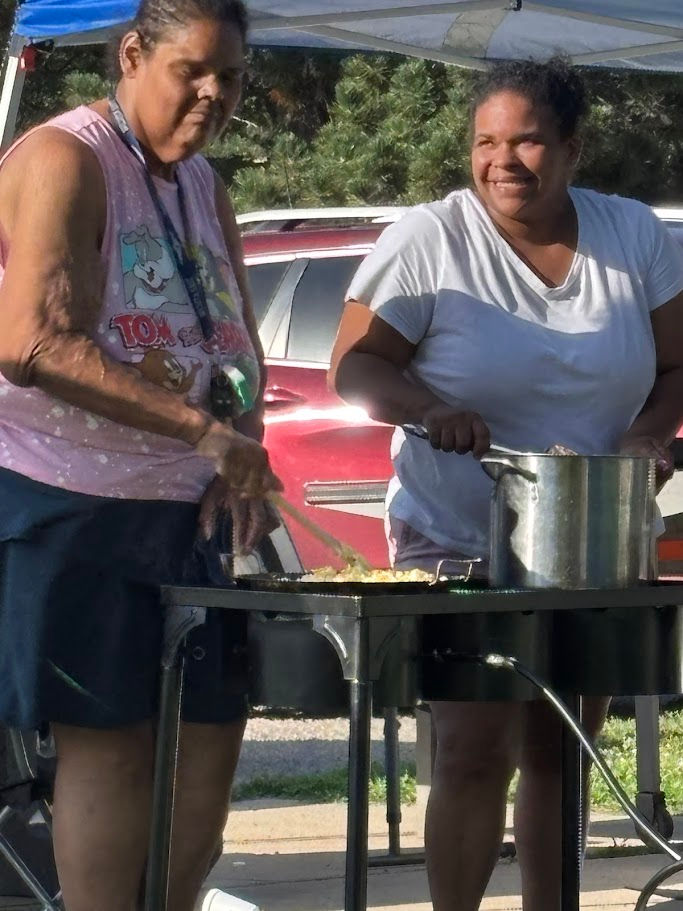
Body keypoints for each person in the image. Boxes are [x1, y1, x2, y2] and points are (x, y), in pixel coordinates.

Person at [330, 57, 683, 911]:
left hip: (590, 532)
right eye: (484, 142)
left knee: (559, 749)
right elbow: (355, 365)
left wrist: (649, 434)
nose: (501, 161)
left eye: (526, 141)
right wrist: (426, 404)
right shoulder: (429, 236)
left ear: (571, 147)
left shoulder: (632, 234)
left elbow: (677, 364)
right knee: (471, 748)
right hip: (458, 531)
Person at [0, 2, 282, 910]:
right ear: (132, 54)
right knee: (110, 744)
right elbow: (32, 344)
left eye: (231, 78)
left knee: (210, 743)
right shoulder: (64, 156)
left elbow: (236, 346)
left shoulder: (204, 184)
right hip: (75, 501)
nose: (212, 94)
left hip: (190, 514)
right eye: (192, 70)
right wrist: (197, 430)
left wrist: (244, 437)